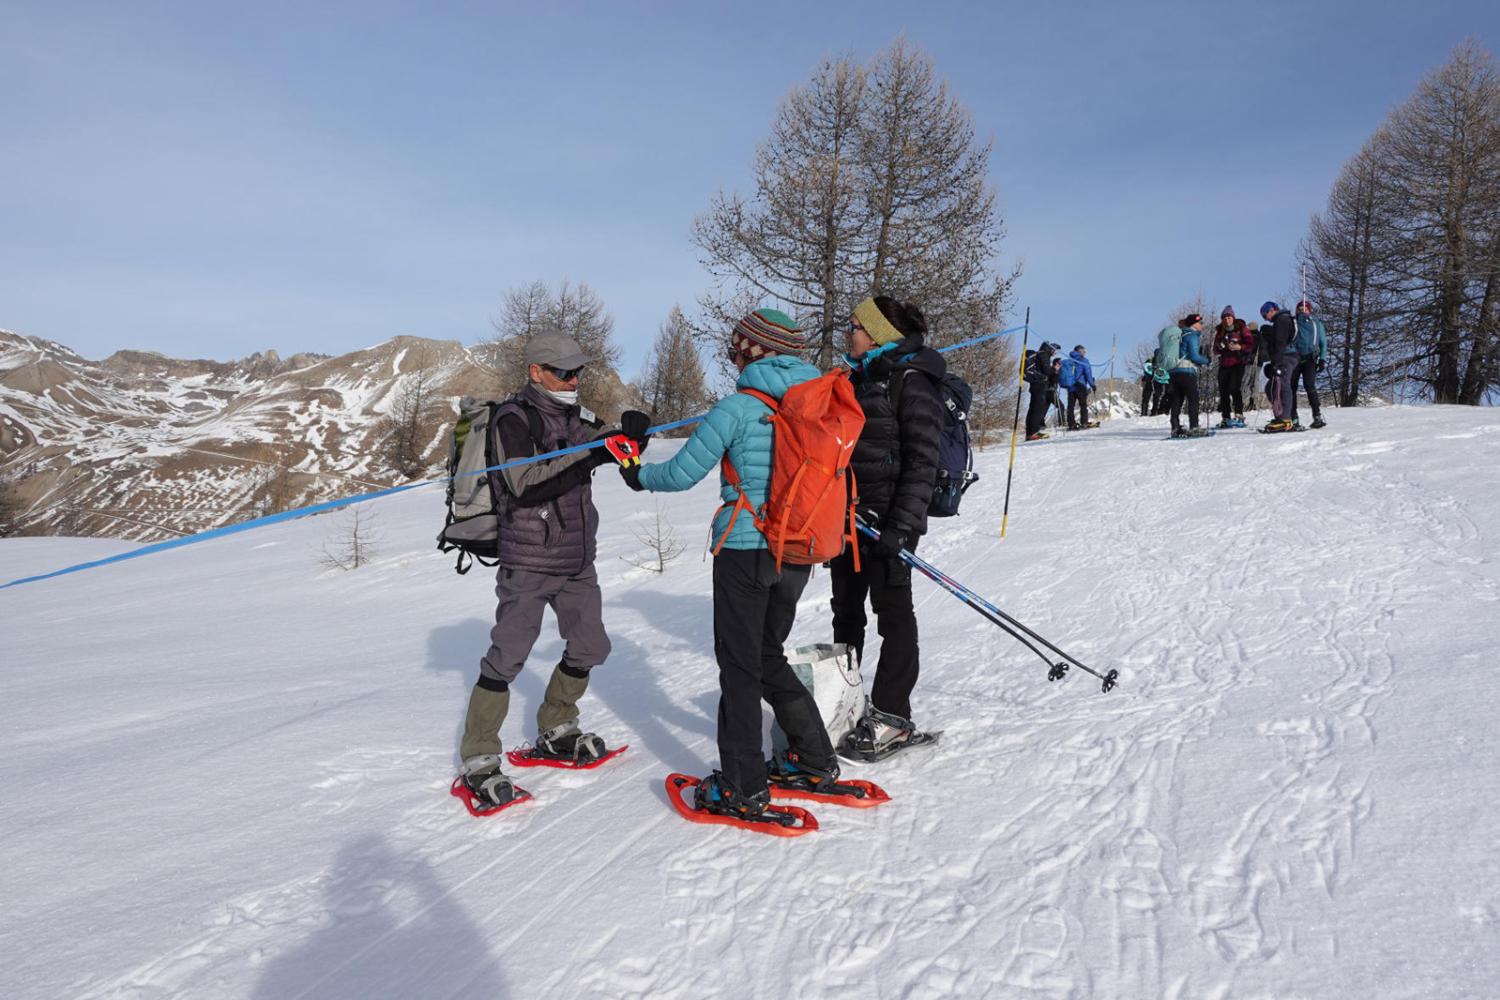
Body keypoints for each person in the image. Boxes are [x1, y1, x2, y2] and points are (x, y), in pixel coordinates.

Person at [619, 309, 840, 821]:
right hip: (799, 549)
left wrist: (635, 472)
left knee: (740, 666)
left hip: (746, 549)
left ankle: (744, 786)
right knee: (767, 656)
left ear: (753, 350)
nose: (731, 352)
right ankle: (814, 760)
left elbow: (678, 474)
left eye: (735, 345)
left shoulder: (737, 408)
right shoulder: (821, 404)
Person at [455, 333, 646, 810]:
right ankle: (479, 756)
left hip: (577, 560)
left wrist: (632, 433)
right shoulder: (512, 419)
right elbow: (524, 486)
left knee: (591, 646)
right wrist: (593, 455)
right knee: (508, 657)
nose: (573, 378)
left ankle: (556, 726)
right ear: (536, 371)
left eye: (578, 370)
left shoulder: (575, 415)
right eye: (563, 371)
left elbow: (607, 443)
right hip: (530, 561)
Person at [828, 296, 945, 761]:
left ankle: (893, 715)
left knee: (893, 616)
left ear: (877, 334)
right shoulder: (858, 379)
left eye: (855, 326)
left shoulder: (912, 383)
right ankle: (845, 703)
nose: (848, 333)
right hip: (848, 519)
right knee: (846, 615)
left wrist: (900, 527)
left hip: (890, 524)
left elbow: (923, 462)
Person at [1159, 313, 1211, 437]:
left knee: (1177, 399)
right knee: (1193, 398)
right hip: (1186, 372)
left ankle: (1175, 428)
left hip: (1173, 371)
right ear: (1194, 324)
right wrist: (1207, 360)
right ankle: (1194, 427)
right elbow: (1194, 356)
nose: (1202, 325)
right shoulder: (1192, 335)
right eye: (1200, 323)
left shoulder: (1179, 335)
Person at [1210, 306, 1256, 427]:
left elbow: (1251, 344)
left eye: (1229, 317)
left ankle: (1239, 414)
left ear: (1233, 318)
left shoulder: (1241, 328)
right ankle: (1226, 417)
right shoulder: (1220, 331)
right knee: (1223, 391)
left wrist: (1240, 347)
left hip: (1238, 362)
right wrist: (1220, 347)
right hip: (1224, 364)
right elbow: (1215, 349)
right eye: (1224, 318)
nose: (1226, 320)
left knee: (1234, 388)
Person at [1258, 301, 1300, 432]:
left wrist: (1277, 363)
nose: (1266, 318)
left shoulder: (1282, 319)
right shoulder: (1281, 320)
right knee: (1271, 386)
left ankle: (1285, 419)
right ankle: (1280, 416)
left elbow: (1280, 342)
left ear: (1272, 310)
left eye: (1265, 315)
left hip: (1287, 356)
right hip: (1285, 356)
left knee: (1282, 384)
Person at [1290, 300, 1329, 428]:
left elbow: (1323, 341)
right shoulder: (1294, 322)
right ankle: (1293, 416)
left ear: (1310, 310)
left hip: (1310, 358)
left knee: (1310, 385)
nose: (1302, 311)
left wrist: (1322, 359)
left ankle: (1316, 415)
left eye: (1305, 309)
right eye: (1300, 309)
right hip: (1295, 358)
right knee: (1291, 387)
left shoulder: (1316, 323)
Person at [1023, 341, 1059, 440]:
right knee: (1037, 409)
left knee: (1033, 408)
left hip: (1035, 384)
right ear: (1050, 349)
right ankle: (1034, 432)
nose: (1055, 353)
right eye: (1055, 350)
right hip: (1039, 385)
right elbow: (1047, 371)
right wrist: (1055, 368)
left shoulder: (1040, 355)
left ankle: (1030, 433)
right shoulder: (1044, 355)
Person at [1062, 345, 1097, 429]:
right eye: (1083, 351)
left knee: (1070, 406)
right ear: (1079, 351)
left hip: (1070, 386)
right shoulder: (1084, 360)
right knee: (1083, 405)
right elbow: (1088, 374)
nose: (1085, 353)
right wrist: (1092, 385)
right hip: (1080, 385)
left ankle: (1071, 424)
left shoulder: (1068, 360)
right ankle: (1084, 423)